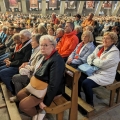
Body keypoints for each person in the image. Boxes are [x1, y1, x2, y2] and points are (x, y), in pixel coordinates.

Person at [17, 35, 65, 120]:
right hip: (39, 85)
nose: (42, 47)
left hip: (48, 90)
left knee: (22, 105)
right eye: (41, 45)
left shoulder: (57, 60)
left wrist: (46, 102)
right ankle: (36, 109)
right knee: (20, 95)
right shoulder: (45, 56)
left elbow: (54, 84)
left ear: (53, 46)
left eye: (45, 45)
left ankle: (37, 115)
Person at [79, 32, 120, 108]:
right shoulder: (99, 47)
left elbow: (102, 65)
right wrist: (97, 60)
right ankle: (78, 97)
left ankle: (90, 104)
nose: (104, 40)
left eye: (107, 38)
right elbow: (89, 57)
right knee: (79, 76)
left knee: (86, 83)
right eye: (103, 38)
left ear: (113, 41)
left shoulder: (115, 52)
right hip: (95, 71)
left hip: (105, 75)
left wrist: (94, 60)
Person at [10, 34, 41, 102]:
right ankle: (20, 96)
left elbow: (36, 68)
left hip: (34, 76)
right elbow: (31, 62)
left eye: (33, 41)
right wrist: (26, 63)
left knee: (15, 77)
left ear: (38, 42)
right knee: (17, 76)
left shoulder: (40, 52)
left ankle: (19, 98)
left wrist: (26, 66)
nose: (30, 42)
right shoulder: (35, 49)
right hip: (30, 72)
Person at [0, 29, 32, 94]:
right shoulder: (24, 43)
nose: (20, 38)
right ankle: (7, 86)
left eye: (22, 37)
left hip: (18, 66)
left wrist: (11, 63)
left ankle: (11, 90)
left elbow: (24, 60)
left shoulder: (28, 46)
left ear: (28, 37)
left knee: (2, 72)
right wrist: (9, 60)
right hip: (14, 63)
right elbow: (15, 53)